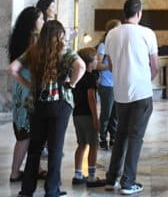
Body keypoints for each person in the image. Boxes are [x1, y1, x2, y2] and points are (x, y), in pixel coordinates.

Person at [10, 20, 86, 197]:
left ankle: (27, 190)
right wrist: (72, 83)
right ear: (60, 35)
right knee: (55, 148)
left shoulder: (33, 50)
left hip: (37, 104)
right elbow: (81, 66)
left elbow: (12, 69)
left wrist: (28, 84)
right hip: (59, 103)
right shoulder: (64, 50)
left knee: (35, 148)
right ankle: (52, 190)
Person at [104, 0, 159, 195]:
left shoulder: (111, 34)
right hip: (141, 92)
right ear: (139, 13)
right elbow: (155, 67)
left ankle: (112, 178)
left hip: (120, 92)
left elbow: (110, 65)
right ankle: (128, 181)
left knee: (120, 135)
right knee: (136, 137)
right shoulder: (147, 33)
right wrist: (144, 78)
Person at [7, 6, 44, 183]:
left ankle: (26, 169)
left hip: (20, 88)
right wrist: (29, 84)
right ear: (33, 22)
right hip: (26, 89)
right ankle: (15, 172)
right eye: (41, 18)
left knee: (25, 132)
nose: (43, 22)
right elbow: (14, 69)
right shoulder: (32, 41)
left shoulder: (20, 38)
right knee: (25, 133)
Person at [71, 47, 106, 187]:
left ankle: (78, 175)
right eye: (96, 59)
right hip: (87, 115)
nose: (98, 61)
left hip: (77, 114)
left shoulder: (77, 75)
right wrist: (96, 118)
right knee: (93, 144)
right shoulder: (91, 77)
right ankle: (91, 177)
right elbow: (91, 98)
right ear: (89, 62)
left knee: (81, 144)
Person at [96, 19, 121, 149]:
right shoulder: (103, 45)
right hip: (106, 83)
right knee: (106, 112)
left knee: (116, 113)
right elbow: (97, 64)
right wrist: (110, 67)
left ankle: (113, 136)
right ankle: (102, 136)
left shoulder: (118, 44)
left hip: (118, 83)